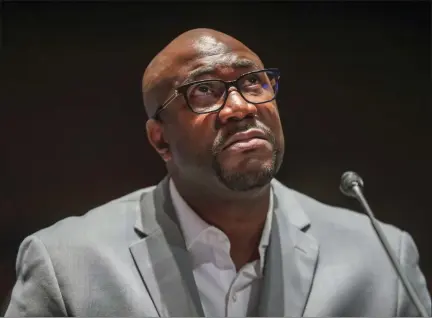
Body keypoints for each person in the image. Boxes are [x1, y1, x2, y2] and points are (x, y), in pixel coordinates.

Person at [4, 28, 431, 317]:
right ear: (160, 140)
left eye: (254, 83)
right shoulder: (67, 263)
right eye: (204, 90)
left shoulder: (381, 258)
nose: (242, 107)